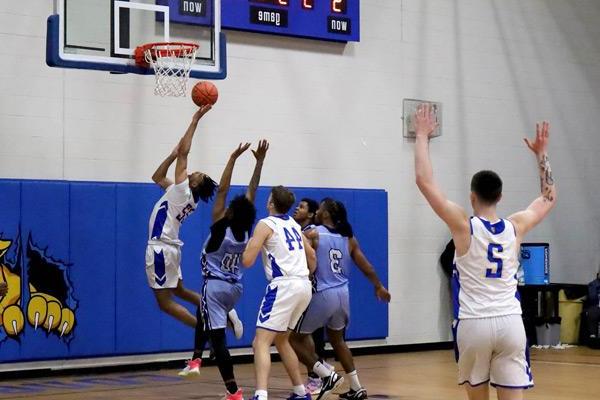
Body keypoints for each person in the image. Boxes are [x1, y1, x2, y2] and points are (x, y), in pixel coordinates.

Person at [413, 104, 557, 400]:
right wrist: (541, 154)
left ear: (472, 196)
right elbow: (549, 197)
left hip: (474, 323)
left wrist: (423, 136)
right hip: (510, 322)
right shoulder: (516, 227)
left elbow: (424, 182)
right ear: (500, 196)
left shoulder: (463, 226)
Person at [291, 198, 391, 400]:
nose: (317, 210)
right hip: (343, 295)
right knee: (338, 341)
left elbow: (301, 258)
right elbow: (367, 266)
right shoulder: (349, 238)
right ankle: (357, 387)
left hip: (322, 293)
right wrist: (378, 286)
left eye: (321, 208)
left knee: (292, 338)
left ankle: (325, 374)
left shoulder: (314, 233)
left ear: (326, 214)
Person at [241, 186, 322, 400]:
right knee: (282, 340)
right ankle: (300, 391)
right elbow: (312, 255)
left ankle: (260, 395)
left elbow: (247, 261)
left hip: (284, 286)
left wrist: (248, 245)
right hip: (304, 284)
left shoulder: (265, 224)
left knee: (260, 342)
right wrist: (305, 274)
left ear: (270, 204)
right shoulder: (295, 225)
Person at [146, 105, 217, 327]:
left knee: (165, 303)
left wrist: (195, 119)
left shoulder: (182, 190)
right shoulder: (184, 196)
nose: (194, 171)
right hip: (171, 249)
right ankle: (215, 311)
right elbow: (157, 177)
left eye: (198, 174)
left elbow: (185, 151)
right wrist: (172, 155)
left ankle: (204, 332)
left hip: (161, 248)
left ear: (194, 183)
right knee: (180, 291)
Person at [293, 198, 333, 394]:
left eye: (301, 207)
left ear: (310, 214)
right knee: (307, 334)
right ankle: (321, 368)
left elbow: (313, 260)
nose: (296, 209)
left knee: (304, 336)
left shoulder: (311, 232)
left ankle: (316, 376)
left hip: (313, 287)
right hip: (310, 288)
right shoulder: (300, 230)